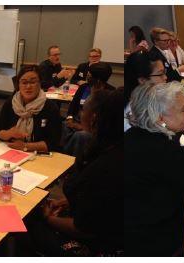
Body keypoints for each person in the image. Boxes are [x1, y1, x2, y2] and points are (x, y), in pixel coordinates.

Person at [27, 89, 123, 256]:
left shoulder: (105, 167)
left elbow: (86, 229)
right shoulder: (107, 146)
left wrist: (49, 219)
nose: (80, 113)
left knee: (27, 223)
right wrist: (66, 202)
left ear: (94, 118)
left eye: (84, 108)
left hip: (102, 245)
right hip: (99, 223)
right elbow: (95, 200)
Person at [125, 81, 184, 256]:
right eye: (183, 109)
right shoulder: (159, 148)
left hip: (138, 224)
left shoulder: (139, 134)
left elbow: (181, 170)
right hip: (155, 237)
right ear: (159, 118)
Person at [0, 66, 62, 152]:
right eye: (24, 82)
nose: (28, 86)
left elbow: (53, 144)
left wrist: (25, 146)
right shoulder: (11, 103)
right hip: (10, 151)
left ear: (40, 84)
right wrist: (9, 133)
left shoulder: (50, 108)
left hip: (38, 156)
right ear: (18, 85)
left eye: (33, 82)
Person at [64, 62, 115, 157]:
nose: (87, 77)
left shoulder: (111, 94)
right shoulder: (83, 87)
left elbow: (105, 121)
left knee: (80, 136)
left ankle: (72, 161)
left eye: (89, 75)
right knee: (63, 126)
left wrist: (83, 127)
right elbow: (72, 107)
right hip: (75, 121)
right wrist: (70, 118)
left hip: (93, 128)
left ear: (98, 79)